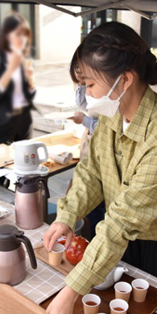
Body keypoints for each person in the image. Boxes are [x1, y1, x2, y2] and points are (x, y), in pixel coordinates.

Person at [43, 22, 157, 314]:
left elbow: (122, 221)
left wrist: (71, 292)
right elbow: (91, 172)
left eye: (90, 84)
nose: (85, 94)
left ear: (123, 80)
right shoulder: (112, 116)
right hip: (134, 234)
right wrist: (66, 217)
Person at [0, 13, 35, 147]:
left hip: (24, 121)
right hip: (2, 123)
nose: (22, 39)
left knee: (26, 164)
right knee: (2, 164)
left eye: (25, 34)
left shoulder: (24, 59)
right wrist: (10, 70)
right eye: (18, 34)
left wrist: (30, 80)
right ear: (6, 35)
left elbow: (29, 96)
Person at [70, 82, 105, 240]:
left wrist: (85, 120)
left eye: (90, 83)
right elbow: (82, 103)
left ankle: (95, 242)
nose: (87, 91)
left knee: (98, 211)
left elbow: (106, 125)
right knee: (92, 210)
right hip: (89, 148)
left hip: (100, 157)